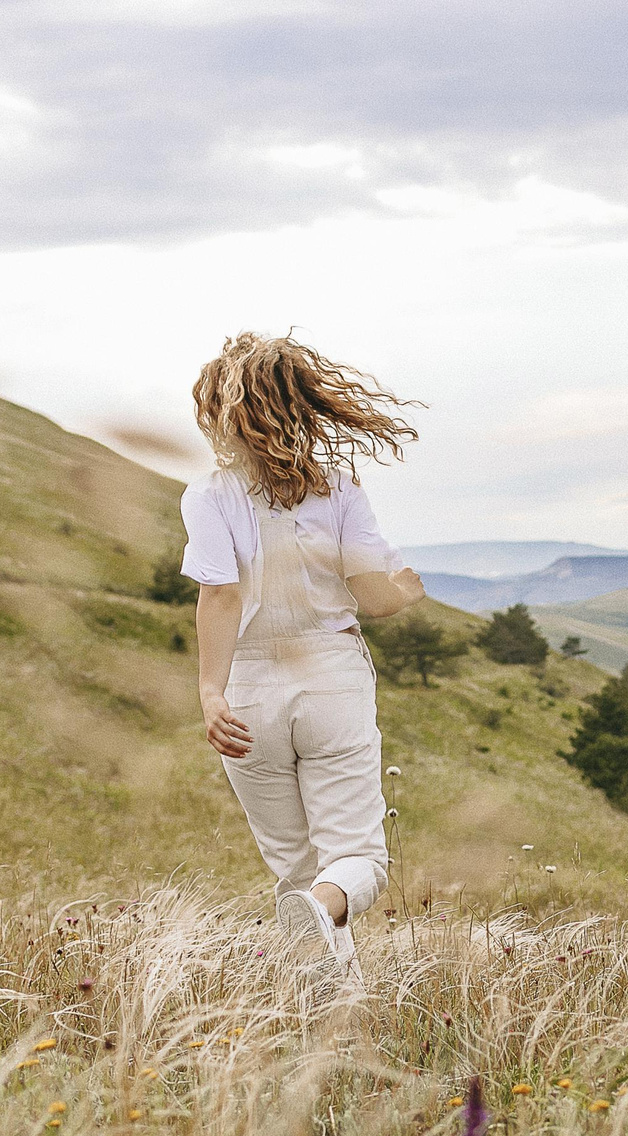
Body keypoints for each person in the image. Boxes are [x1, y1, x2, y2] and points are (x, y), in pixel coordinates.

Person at [181, 332, 427, 973]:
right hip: (330, 679)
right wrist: (406, 590)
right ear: (304, 405)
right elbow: (373, 597)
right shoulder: (339, 491)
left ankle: (324, 1007)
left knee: (296, 870)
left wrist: (210, 693)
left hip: (248, 689)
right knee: (356, 861)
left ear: (220, 412)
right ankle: (322, 923)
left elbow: (219, 596)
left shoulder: (207, 496)